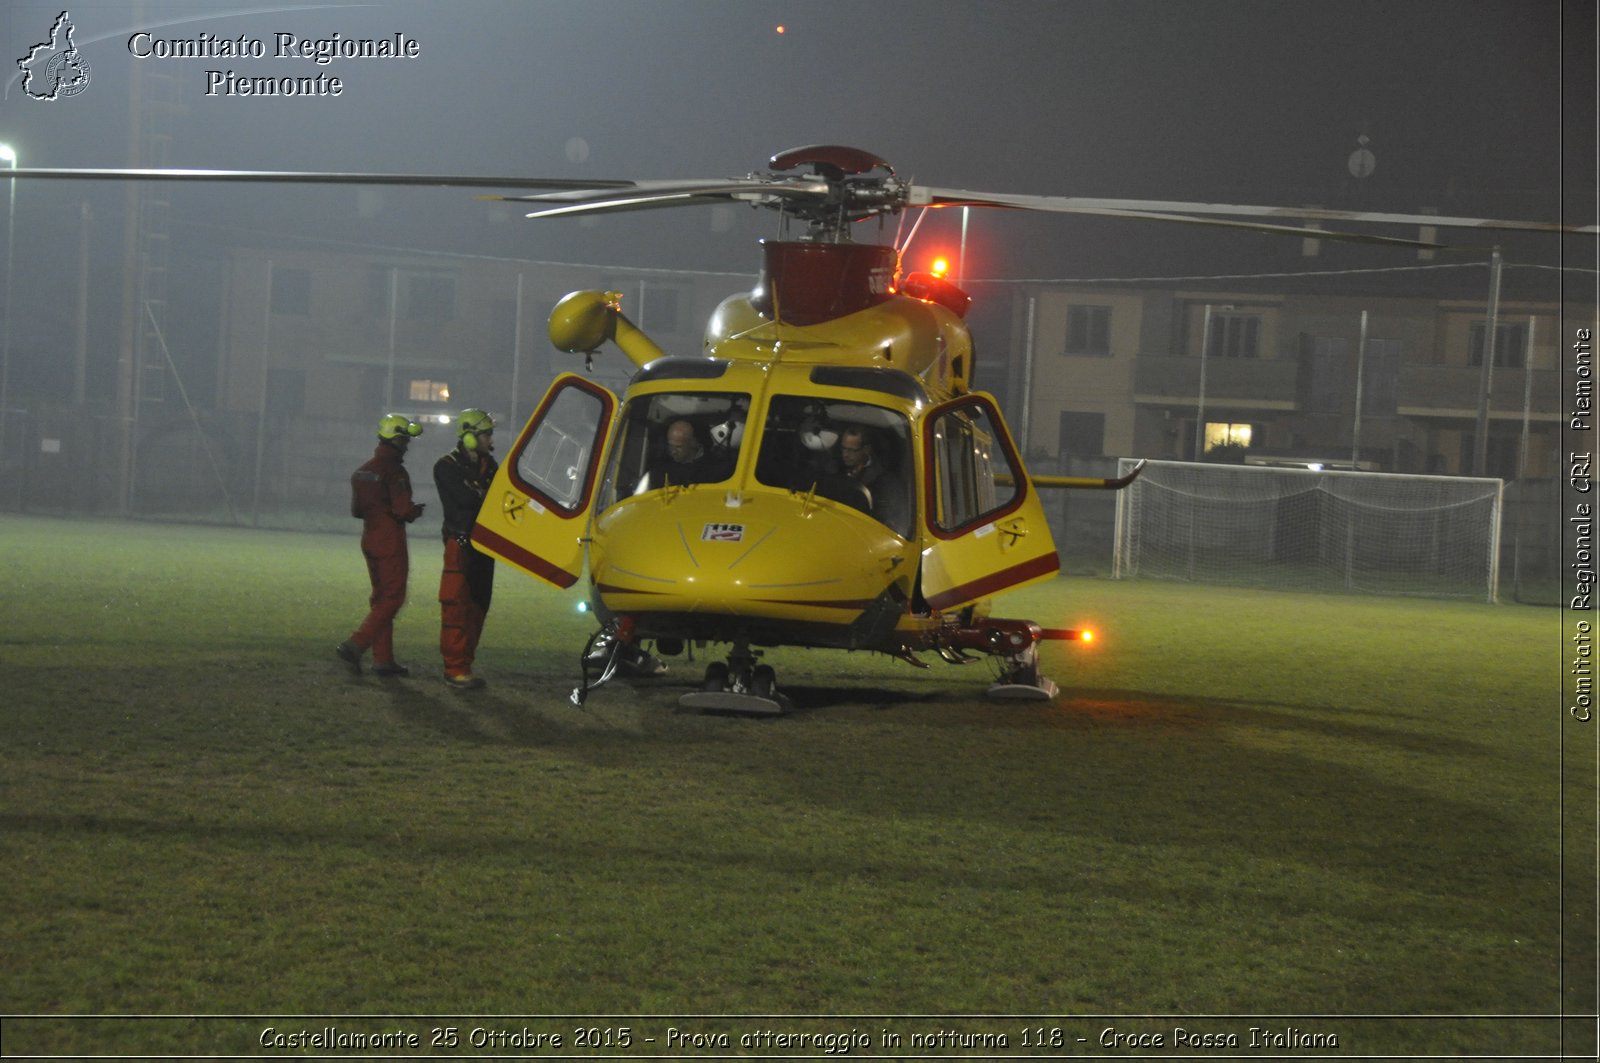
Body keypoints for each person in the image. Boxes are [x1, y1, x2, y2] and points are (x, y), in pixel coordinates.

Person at [337, 413, 426, 676]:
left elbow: (357, 511)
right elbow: (401, 510)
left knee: (380, 599)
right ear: (396, 439)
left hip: (369, 536)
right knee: (393, 597)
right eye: (405, 439)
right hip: (390, 539)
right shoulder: (395, 471)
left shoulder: (363, 471)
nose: (407, 445)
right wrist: (413, 512)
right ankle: (356, 644)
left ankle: (383, 659)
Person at [433, 408, 499, 691]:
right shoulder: (446, 466)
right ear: (470, 436)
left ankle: (465, 664)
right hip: (460, 544)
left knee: (479, 607)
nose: (489, 439)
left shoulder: (491, 466)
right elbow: (466, 500)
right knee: (456, 607)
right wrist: (483, 495)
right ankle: (455, 668)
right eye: (485, 434)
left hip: (484, 545)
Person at [648, 418, 724, 487]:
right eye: (671, 446)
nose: (673, 451)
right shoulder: (661, 469)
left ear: (693, 443)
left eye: (678, 447)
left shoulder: (714, 469)